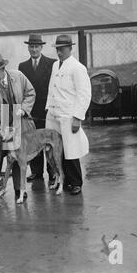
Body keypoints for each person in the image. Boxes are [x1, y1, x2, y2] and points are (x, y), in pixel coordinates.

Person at [0, 53, 36, 200]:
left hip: (19, 124)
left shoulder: (18, 76)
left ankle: (19, 189)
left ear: (3, 68)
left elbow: (31, 93)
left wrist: (23, 109)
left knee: (18, 156)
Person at [45, 35, 91, 195]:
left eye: (62, 49)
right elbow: (52, 87)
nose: (59, 52)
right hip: (53, 114)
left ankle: (76, 182)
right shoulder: (55, 65)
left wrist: (77, 118)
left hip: (68, 115)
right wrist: (48, 108)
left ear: (70, 48)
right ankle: (63, 180)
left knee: (71, 151)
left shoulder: (78, 67)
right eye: (57, 49)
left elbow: (84, 94)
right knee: (56, 150)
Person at [18, 34, 56, 184]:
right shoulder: (23, 66)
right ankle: (36, 172)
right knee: (32, 140)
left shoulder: (51, 63)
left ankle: (52, 172)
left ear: (41, 47)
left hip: (46, 110)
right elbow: (21, 89)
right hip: (30, 111)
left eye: (36, 46)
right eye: (31, 46)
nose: (34, 49)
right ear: (28, 48)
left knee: (47, 140)